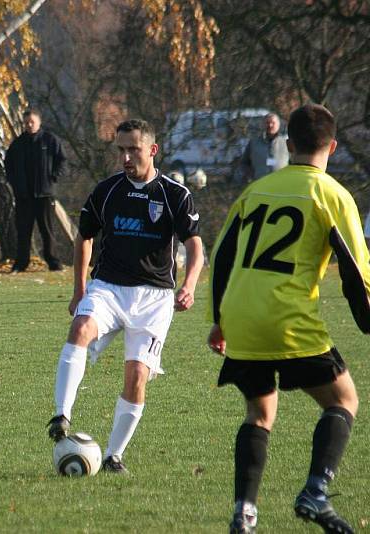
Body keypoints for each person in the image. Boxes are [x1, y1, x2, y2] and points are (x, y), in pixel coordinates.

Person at [208, 104, 369, 534]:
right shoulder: (332, 194)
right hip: (288, 320)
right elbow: (357, 269)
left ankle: (244, 513)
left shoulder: (255, 191)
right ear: (332, 147)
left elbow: (222, 255)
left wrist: (219, 319)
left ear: (289, 144)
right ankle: (315, 493)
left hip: (240, 316)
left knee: (259, 414)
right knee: (343, 400)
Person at [47, 119, 204, 474]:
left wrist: (190, 286)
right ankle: (61, 415)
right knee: (80, 328)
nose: (126, 157)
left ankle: (113, 456)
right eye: (120, 149)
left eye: (133, 149)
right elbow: (84, 237)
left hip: (154, 298)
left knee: (136, 376)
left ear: (152, 150)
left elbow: (195, 245)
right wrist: (79, 289)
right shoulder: (106, 191)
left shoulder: (174, 195)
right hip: (108, 288)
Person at [5, 109, 66, 272]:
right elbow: (8, 166)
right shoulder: (17, 144)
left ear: (39, 122)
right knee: (23, 231)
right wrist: (15, 184)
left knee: (47, 230)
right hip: (24, 196)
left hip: (44, 194)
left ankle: (53, 262)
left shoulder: (50, 140)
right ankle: (21, 263)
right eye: (26, 122)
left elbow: (61, 160)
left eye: (32, 122)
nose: (29, 125)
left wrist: (53, 177)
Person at [239, 112, 289, 182]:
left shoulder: (286, 143)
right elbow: (244, 163)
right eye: (267, 123)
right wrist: (251, 175)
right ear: (263, 125)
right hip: (260, 184)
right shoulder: (254, 143)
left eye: (273, 123)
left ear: (278, 125)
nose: (270, 125)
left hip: (281, 184)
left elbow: (294, 163)